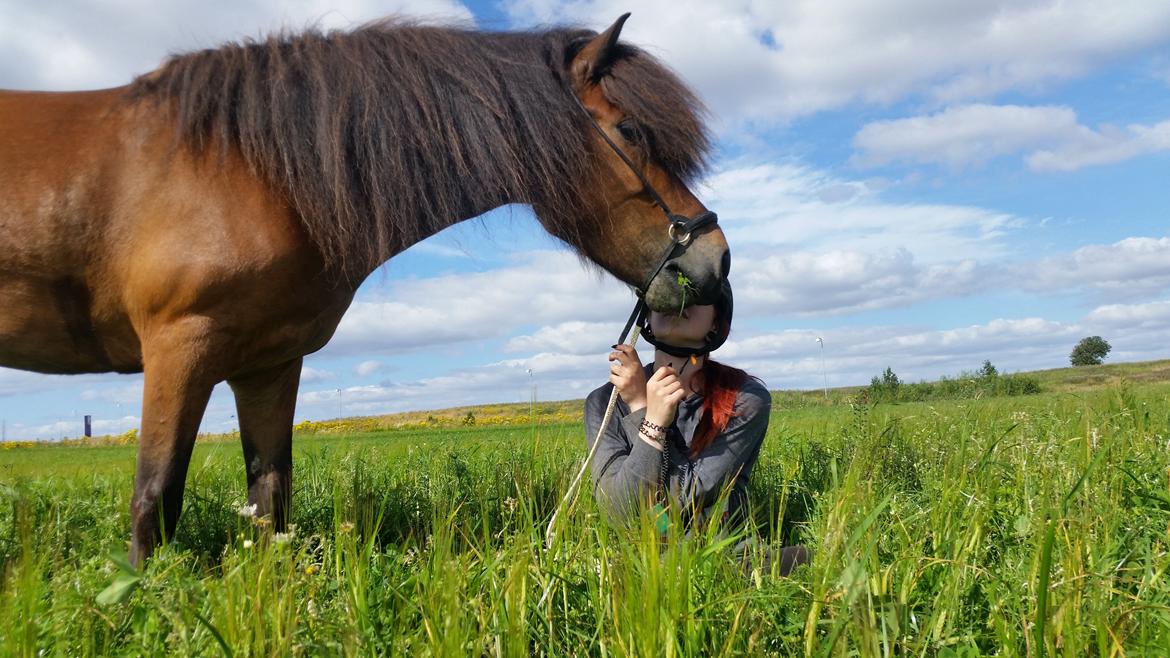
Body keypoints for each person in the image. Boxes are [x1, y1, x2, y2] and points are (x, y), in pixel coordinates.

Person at [584, 283, 808, 575]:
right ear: (647, 316)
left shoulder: (744, 399)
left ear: (716, 322)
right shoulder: (604, 403)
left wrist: (642, 409)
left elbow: (686, 495)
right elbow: (619, 511)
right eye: (664, 295)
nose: (677, 300)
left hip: (729, 559)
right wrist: (645, 411)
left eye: (696, 293)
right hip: (644, 565)